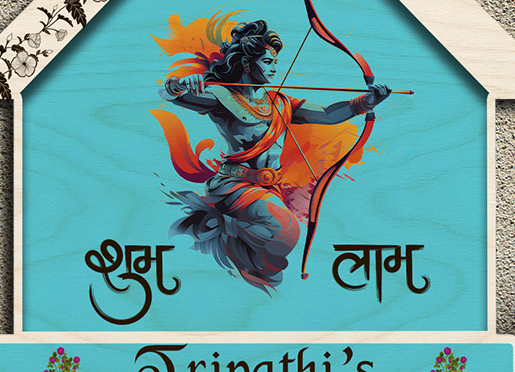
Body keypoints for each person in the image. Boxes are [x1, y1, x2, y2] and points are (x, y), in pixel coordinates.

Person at [151, 16, 390, 290]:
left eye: (276, 62)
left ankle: (238, 255)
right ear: (246, 63)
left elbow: (326, 115)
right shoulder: (221, 96)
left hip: (270, 187)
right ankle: (219, 226)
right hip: (236, 185)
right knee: (286, 231)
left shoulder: (281, 103)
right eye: (267, 61)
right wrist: (178, 85)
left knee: (274, 257)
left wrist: (365, 102)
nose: (274, 68)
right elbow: (168, 94)